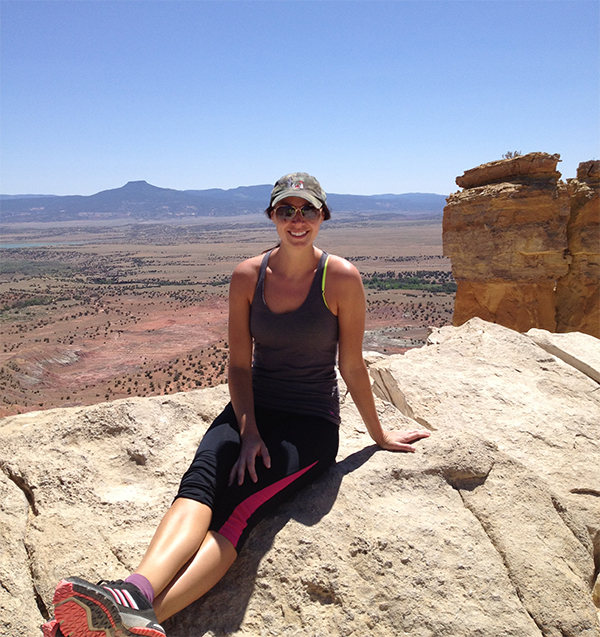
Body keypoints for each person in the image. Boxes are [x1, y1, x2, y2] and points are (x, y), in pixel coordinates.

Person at [42, 172, 430, 637]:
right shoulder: (248, 276)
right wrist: (248, 432)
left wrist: (378, 436)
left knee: (237, 510)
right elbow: (239, 367)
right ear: (272, 216)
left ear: (323, 215)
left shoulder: (341, 277)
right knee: (200, 485)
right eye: (286, 209)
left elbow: (351, 366)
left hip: (309, 424)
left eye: (307, 209)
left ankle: (133, 622)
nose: (297, 219)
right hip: (252, 409)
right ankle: (135, 592)